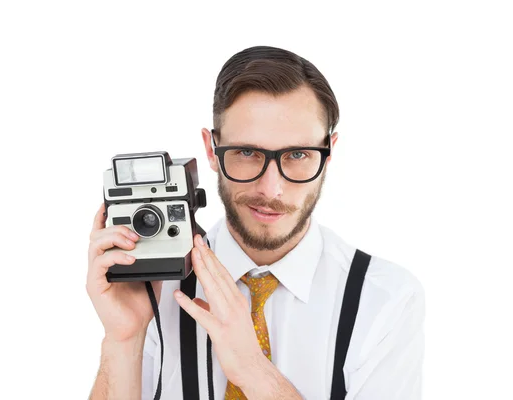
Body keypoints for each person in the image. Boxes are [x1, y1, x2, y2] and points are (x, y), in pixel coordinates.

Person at [86, 45, 425, 400]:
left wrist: (253, 370)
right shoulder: (153, 290)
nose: (271, 189)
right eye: (247, 153)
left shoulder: (385, 299)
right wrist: (123, 340)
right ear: (211, 149)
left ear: (328, 154)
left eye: (297, 155)